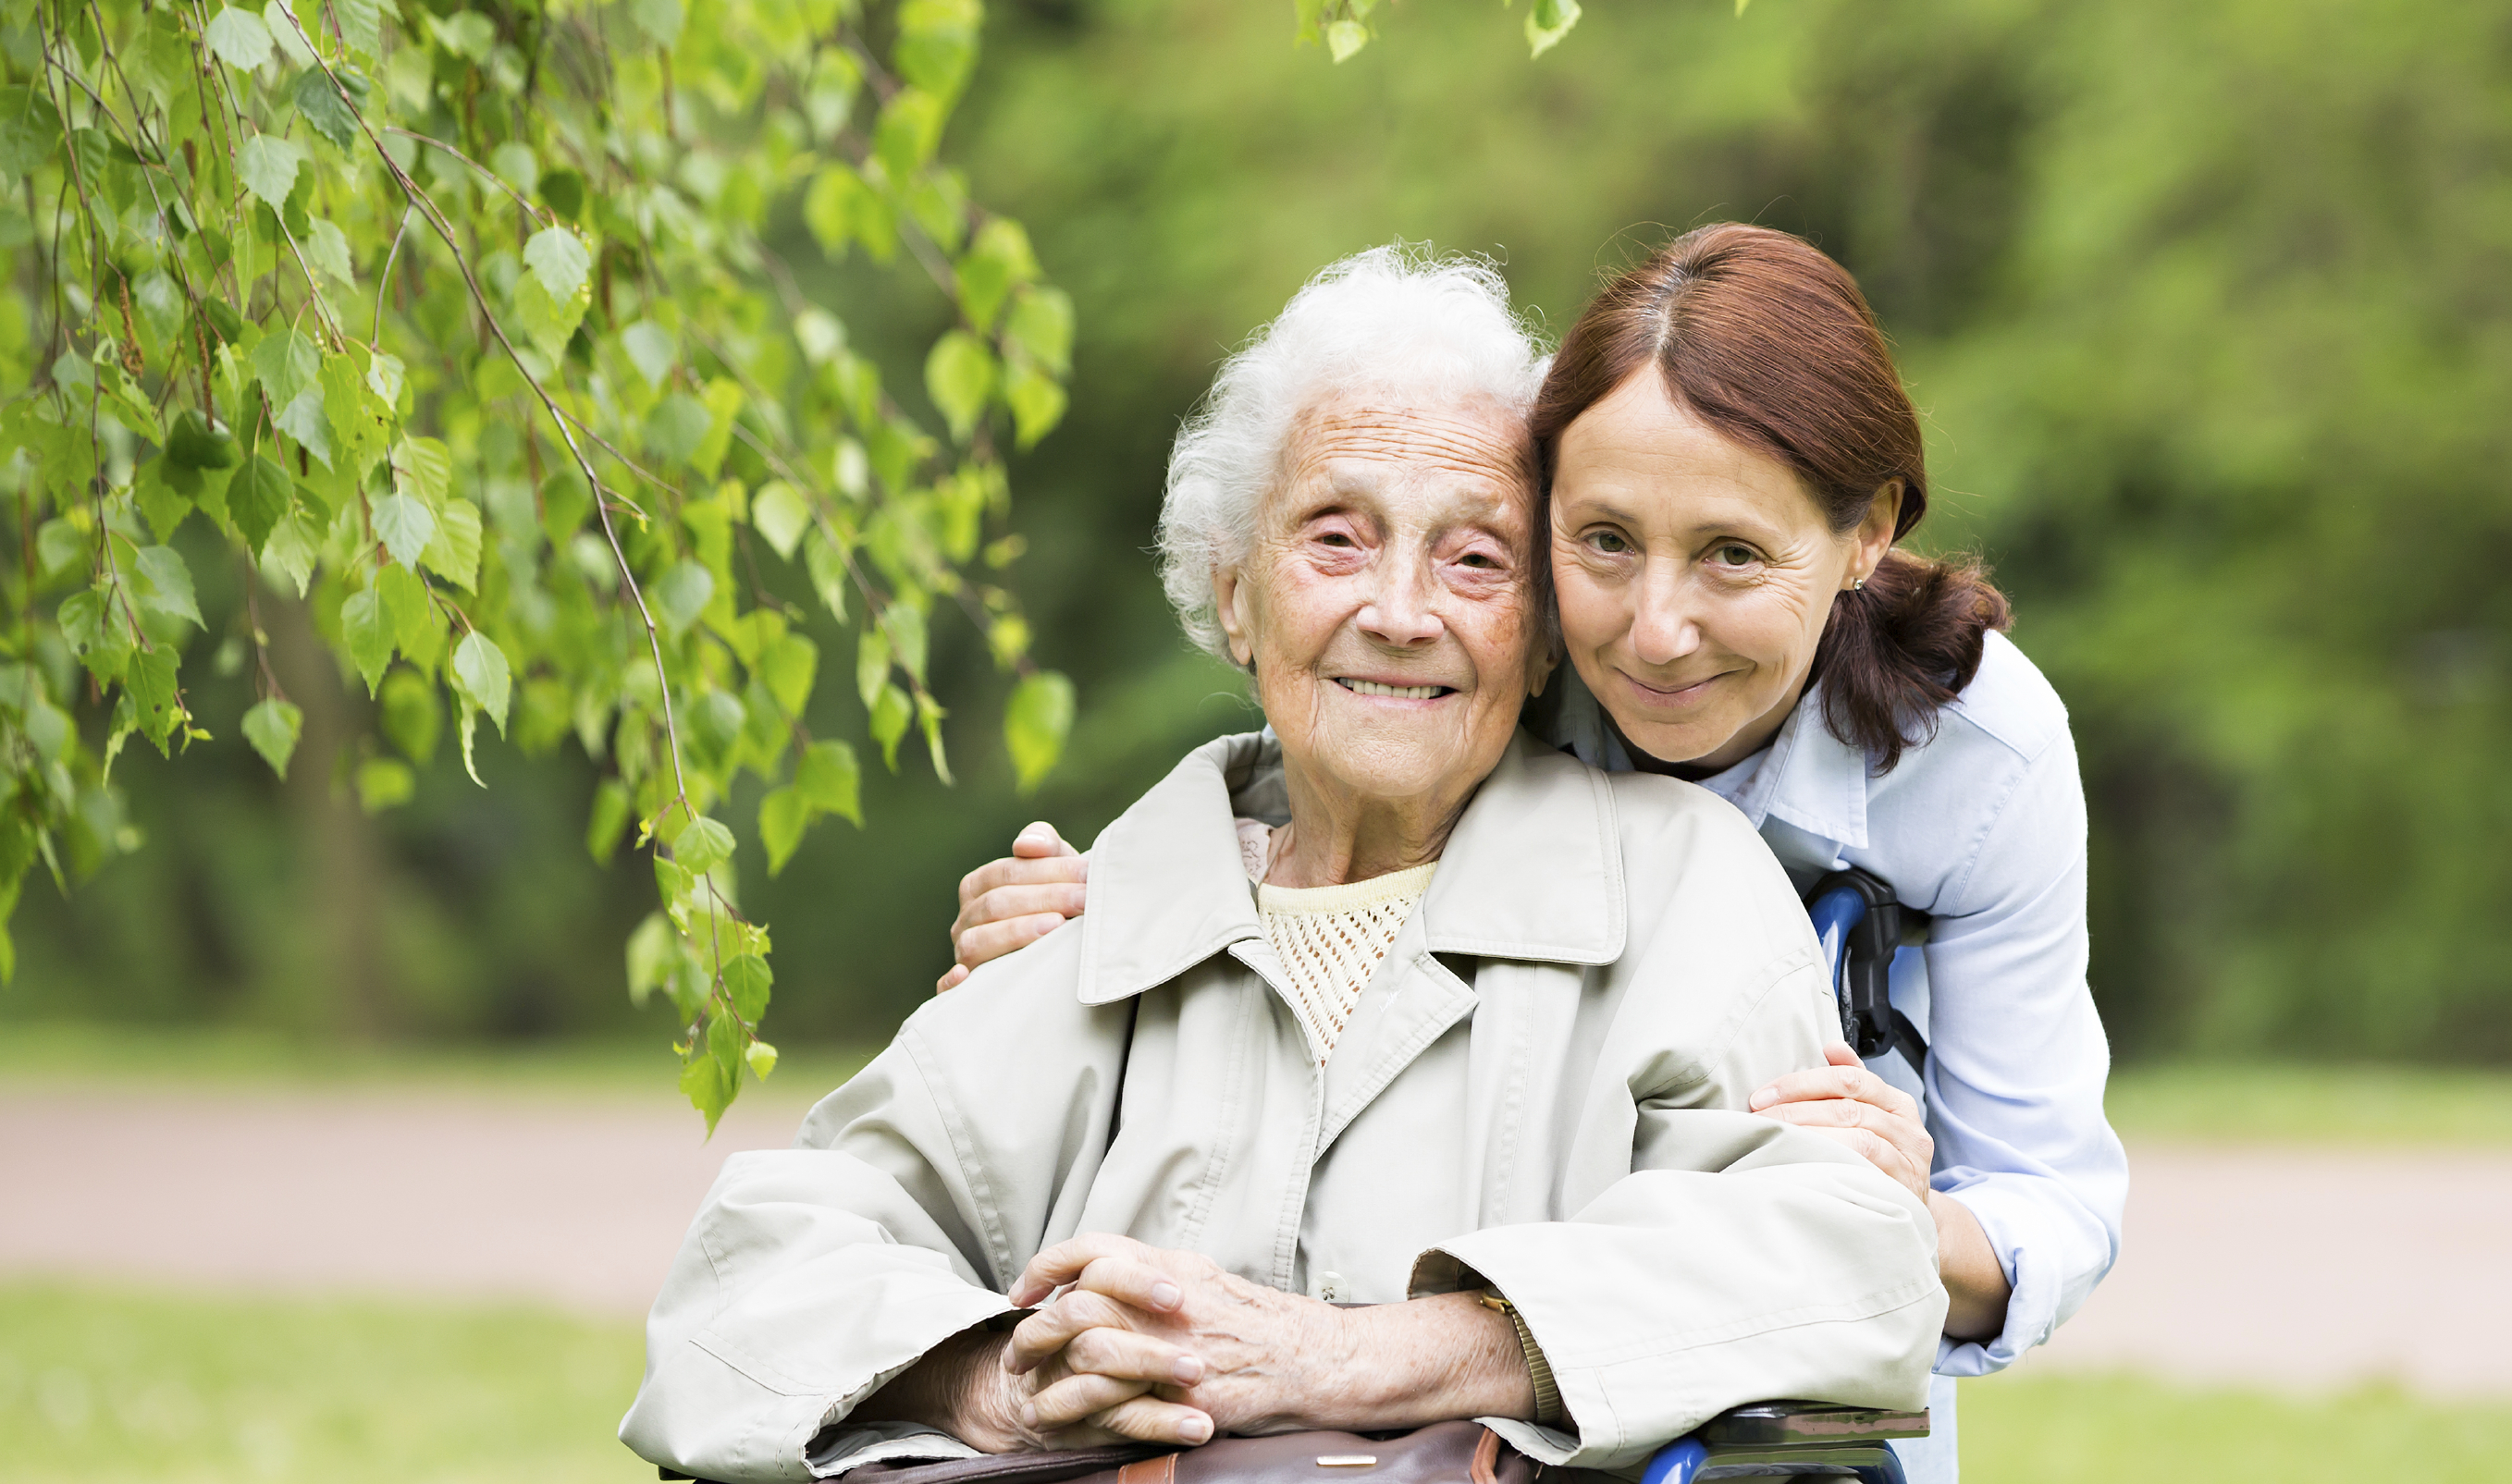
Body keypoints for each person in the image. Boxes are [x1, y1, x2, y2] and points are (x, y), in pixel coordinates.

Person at [620, 249, 1943, 1484]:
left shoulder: (1679, 886)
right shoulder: (1100, 917)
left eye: (1476, 557)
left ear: (1543, 631)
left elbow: (1844, 1260)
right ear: (1236, 593)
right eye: (1336, 536)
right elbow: (751, 1280)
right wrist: (995, 1382)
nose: (1401, 610)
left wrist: (1345, 1354)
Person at [942, 226, 2129, 1483]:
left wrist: (1892, 1216)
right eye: (1604, 540)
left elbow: (2050, 1200)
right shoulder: (1493, 644)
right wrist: (1123, 905)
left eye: (1732, 553)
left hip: (1770, 1339)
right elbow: (1336, 769)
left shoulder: (1978, 756)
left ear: (1866, 531)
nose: (1654, 633)